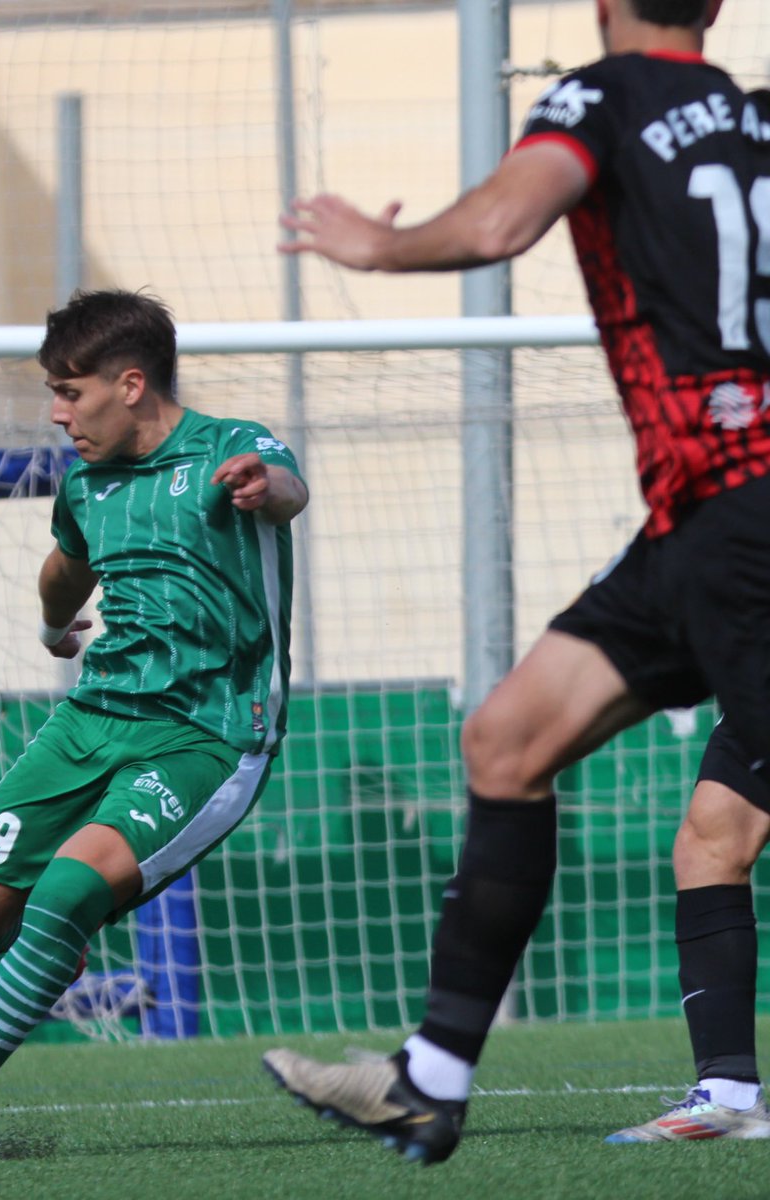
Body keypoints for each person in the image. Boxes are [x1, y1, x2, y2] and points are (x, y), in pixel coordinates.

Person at [261, 0, 770, 1164]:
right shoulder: (755, 123)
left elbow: (501, 220)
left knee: (717, 827)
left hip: (742, 519)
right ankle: (430, 1082)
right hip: (693, 530)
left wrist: (378, 246)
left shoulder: (602, 94)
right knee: (507, 739)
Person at [0, 287, 309, 1165]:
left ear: (129, 383)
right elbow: (63, 569)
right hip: (93, 716)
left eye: (69, 392)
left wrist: (267, 488)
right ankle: (53, 949)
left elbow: (287, 492)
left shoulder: (234, 448)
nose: (57, 413)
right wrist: (52, 631)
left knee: (68, 893)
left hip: (208, 731)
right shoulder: (86, 484)